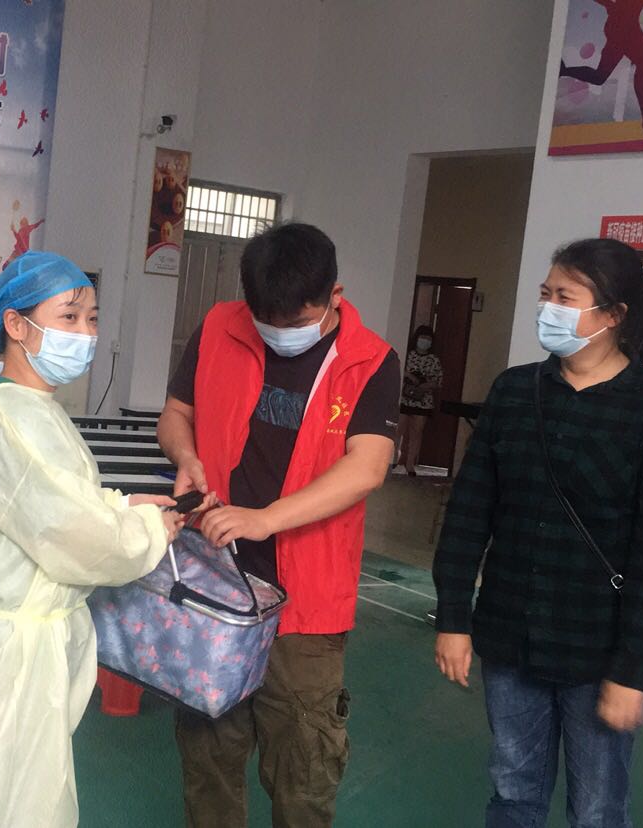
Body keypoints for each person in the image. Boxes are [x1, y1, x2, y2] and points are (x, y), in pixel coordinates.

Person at [0, 252, 181, 828]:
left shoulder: (30, 408)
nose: (86, 334)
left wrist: (121, 505)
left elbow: (52, 502)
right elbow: (77, 537)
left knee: (9, 797)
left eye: (92, 319)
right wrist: (148, 530)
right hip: (5, 658)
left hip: (12, 649)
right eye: (69, 317)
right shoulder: (11, 416)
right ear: (16, 324)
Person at [434, 238, 643, 827]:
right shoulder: (513, 391)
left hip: (598, 653)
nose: (548, 308)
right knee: (513, 793)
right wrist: (453, 615)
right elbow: (470, 511)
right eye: (545, 294)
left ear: (614, 315)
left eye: (565, 297)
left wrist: (631, 670)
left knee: (598, 810)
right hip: (510, 638)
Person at [159, 222, 399, 827]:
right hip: (215, 586)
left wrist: (266, 519)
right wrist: (186, 456)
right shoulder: (219, 326)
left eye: (296, 321)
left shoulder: (370, 361)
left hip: (306, 604)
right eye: (266, 320)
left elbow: (367, 466)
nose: (279, 332)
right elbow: (176, 414)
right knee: (208, 757)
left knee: (304, 769)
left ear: (334, 296)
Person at [558, 0, 643, 135]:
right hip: (625, 26)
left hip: (619, 25)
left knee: (600, 76)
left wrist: (611, 5)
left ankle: (563, 70)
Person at [396, 324, 443, 476]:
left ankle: (410, 464)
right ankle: (394, 459)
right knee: (398, 430)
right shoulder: (407, 355)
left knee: (416, 433)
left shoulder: (434, 360)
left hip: (423, 402)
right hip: (405, 399)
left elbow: (438, 381)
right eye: (422, 337)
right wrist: (410, 377)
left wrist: (424, 385)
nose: (424, 341)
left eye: (428, 338)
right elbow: (399, 371)